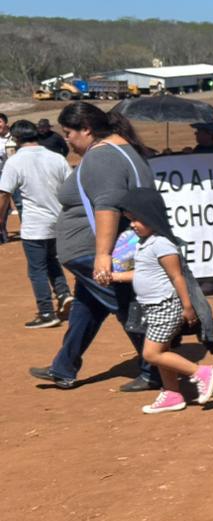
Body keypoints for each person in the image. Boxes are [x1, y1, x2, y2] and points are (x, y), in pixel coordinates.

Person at [29, 103, 160, 391]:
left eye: (68, 132)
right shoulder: (123, 150)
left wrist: (102, 255)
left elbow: (107, 205)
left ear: (86, 129)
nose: (66, 139)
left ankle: (158, 368)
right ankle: (63, 368)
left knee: (126, 308)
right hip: (99, 251)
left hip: (96, 252)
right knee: (85, 310)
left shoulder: (102, 157)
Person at [111, 188, 213, 413]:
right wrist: (113, 277)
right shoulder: (144, 243)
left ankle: (201, 372)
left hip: (165, 306)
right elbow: (142, 273)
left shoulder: (162, 244)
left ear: (151, 216)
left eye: (137, 219)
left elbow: (177, 276)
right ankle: (172, 394)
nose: (132, 224)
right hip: (151, 307)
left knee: (152, 354)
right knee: (163, 351)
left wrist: (188, 306)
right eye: (130, 220)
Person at [0, 120, 73, 327]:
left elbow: (4, 193)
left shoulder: (15, 162)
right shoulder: (56, 158)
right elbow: (71, 188)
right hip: (58, 220)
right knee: (52, 261)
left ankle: (46, 312)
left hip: (35, 225)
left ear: (15, 138)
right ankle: (63, 293)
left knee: (37, 269)